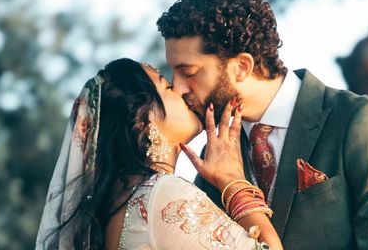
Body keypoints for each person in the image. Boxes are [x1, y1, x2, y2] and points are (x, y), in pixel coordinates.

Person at [158, 0, 368, 249]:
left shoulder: (360, 122)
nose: (177, 88)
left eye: (188, 72)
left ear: (242, 67)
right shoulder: (213, 160)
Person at [35, 58, 283, 249]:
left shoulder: (123, 207)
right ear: (143, 120)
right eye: (166, 87)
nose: (181, 91)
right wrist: (233, 183)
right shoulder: (160, 194)